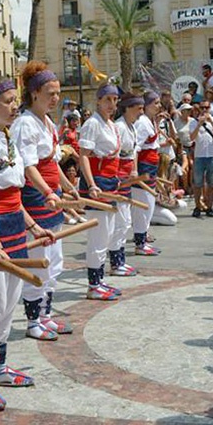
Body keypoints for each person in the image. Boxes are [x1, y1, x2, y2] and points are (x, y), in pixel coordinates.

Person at [0, 74, 54, 411]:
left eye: (15, 100)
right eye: (7, 101)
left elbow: (15, 196)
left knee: (8, 306)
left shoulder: (6, 137)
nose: (14, 106)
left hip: (14, 227)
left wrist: (33, 227)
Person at [12, 62, 78, 340]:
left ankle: (46, 315)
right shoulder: (25, 123)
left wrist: (67, 188)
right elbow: (29, 167)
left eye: (57, 93)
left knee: (55, 260)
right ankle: (32, 321)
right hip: (36, 199)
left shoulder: (48, 122)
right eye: (50, 93)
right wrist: (48, 193)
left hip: (51, 199)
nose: (55, 98)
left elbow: (52, 162)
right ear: (34, 93)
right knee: (39, 260)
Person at [79, 82, 124, 300]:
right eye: (107, 99)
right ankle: (93, 284)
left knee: (107, 234)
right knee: (98, 236)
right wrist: (91, 185)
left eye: (115, 100)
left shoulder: (112, 125)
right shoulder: (92, 124)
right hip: (97, 183)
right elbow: (84, 155)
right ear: (98, 100)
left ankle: (100, 280)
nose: (112, 104)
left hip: (110, 182)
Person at [111, 94, 144, 275]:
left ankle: (120, 259)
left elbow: (133, 152)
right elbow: (115, 155)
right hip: (118, 179)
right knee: (121, 221)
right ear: (128, 108)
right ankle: (116, 262)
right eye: (138, 108)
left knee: (126, 220)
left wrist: (135, 170)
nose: (141, 112)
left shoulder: (131, 127)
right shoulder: (119, 127)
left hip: (127, 178)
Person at [132, 91, 162, 255]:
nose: (159, 105)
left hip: (150, 168)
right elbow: (135, 148)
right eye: (155, 103)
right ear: (147, 105)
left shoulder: (149, 121)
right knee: (144, 206)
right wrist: (135, 170)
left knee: (148, 206)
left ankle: (142, 240)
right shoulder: (142, 123)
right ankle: (140, 244)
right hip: (143, 168)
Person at [191, 101, 213, 217]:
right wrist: (199, 124)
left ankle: (209, 207)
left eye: (207, 107)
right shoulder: (193, 122)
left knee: (212, 183)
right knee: (198, 183)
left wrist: (211, 122)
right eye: (202, 107)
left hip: (212, 155)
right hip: (199, 156)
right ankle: (197, 207)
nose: (204, 109)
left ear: (210, 108)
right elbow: (192, 137)